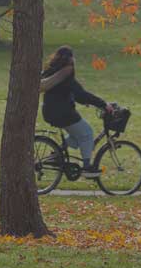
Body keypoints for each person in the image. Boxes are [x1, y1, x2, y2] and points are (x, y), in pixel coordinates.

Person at [40, 46, 113, 178]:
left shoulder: (54, 72)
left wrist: (83, 100)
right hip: (63, 113)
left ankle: (55, 155)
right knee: (86, 133)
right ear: (71, 59)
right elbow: (81, 93)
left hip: (50, 112)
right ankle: (86, 168)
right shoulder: (66, 73)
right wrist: (103, 104)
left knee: (76, 136)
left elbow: (76, 94)